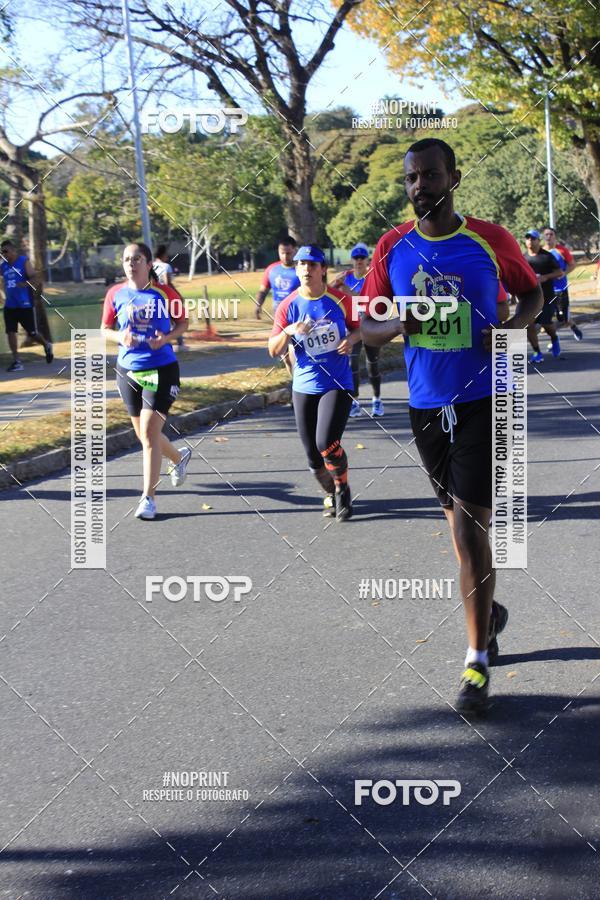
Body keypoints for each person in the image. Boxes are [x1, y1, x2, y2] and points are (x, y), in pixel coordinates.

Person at [361, 138, 543, 714]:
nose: (420, 187)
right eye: (412, 179)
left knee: (467, 529)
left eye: (430, 176)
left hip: (488, 396)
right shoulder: (392, 247)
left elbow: (533, 292)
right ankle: (488, 616)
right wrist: (390, 327)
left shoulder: (491, 240)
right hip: (426, 402)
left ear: (453, 178)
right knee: (461, 531)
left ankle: (476, 662)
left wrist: (511, 328)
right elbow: (372, 323)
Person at [268, 244, 361, 521]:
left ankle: (342, 488)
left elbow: (362, 329)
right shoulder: (289, 306)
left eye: (311, 264)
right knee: (312, 458)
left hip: (337, 383)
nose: (306, 269)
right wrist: (288, 330)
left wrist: (351, 340)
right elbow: (273, 349)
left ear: (322, 270)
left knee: (326, 441)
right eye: (301, 265)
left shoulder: (339, 299)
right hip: (304, 385)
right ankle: (332, 493)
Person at [101, 243, 191, 520]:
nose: (131, 263)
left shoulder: (165, 293)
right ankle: (177, 458)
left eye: (137, 259)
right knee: (143, 435)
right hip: (128, 370)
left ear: (149, 263)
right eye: (127, 259)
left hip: (161, 369)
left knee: (150, 432)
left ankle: (148, 499)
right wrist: (120, 337)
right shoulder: (115, 293)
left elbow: (183, 323)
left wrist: (164, 339)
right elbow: (105, 329)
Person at [330, 242, 384, 418]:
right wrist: (334, 284)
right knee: (353, 364)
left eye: (362, 258)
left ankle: (377, 399)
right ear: (351, 260)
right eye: (356, 258)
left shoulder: (372, 276)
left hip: (371, 324)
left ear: (367, 259)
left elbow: (368, 300)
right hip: (353, 327)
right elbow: (327, 292)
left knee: (372, 364)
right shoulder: (345, 277)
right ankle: (355, 402)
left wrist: (347, 292)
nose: (359, 261)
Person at [1, 239, 53, 371]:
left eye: (6, 251)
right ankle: (17, 361)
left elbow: (35, 278)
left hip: (25, 304)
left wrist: (25, 284)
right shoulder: (4, 266)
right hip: (10, 305)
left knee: (32, 333)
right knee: (10, 332)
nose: (4, 254)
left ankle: (46, 345)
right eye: (2, 252)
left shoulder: (23, 261)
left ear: (13, 250)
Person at [522, 229, 564, 362]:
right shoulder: (523, 258)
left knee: (546, 323)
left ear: (538, 241)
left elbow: (559, 272)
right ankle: (537, 352)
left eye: (533, 238)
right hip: (529, 298)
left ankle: (554, 338)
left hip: (547, 296)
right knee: (529, 324)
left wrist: (545, 277)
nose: (530, 241)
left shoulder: (546, 256)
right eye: (527, 238)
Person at [542, 227, 583, 342]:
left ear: (555, 236)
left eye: (551, 234)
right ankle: (554, 340)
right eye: (546, 234)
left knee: (563, 318)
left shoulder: (562, 250)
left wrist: (564, 273)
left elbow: (572, 264)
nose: (548, 237)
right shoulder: (541, 252)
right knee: (546, 317)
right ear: (543, 237)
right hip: (546, 290)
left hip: (560, 289)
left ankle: (573, 327)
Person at [154, 245, 187, 351]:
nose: (167, 257)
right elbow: (168, 283)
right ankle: (180, 341)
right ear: (162, 255)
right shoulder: (166, 266)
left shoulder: (151, 265)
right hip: (166, 295)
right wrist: (178, 295)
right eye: (166, 255)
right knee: (175, 318)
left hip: (153, 295)